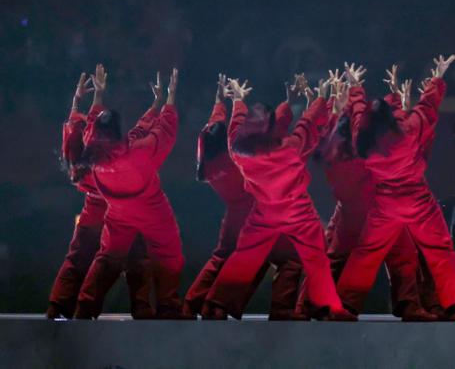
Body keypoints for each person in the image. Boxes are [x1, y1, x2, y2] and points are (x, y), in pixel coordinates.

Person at [335, 57, 455, 321]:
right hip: (417, 200)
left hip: (386, 202)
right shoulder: (408, 130)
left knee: (367, 254)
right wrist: (438, 76)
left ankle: (346, 305)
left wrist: (356, 87)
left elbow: (359, 115)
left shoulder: (364, 139)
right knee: (441, 253)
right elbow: (428, 105)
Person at [201, 75, 355, 321]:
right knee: (316, 258)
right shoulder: (289, 148)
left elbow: (237, 123)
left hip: (264, 212)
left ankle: (217, 304)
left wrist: (239, 100)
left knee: (245, 257)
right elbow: (308, 125)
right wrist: (321, 99)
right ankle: (330, 308)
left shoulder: (237, 149)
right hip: (297, 212)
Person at [299, 69, 436, 321]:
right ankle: (400, 304)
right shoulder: (359, 141)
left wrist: (333, 100)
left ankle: (315, 304)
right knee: (399, 256)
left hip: (355, 207)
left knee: (339, 256)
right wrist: (391, 98)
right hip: (372, 207)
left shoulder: (343, 139)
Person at [183, 74, 305, 319]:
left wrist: (223, 102)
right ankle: (280, 310)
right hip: (257, 217)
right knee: (289, 259)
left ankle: (194, 304)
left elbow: (220, 126)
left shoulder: (208, 157)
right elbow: (265, 132)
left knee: (224, 256)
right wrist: (287, 104)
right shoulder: (237, 156)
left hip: (235, 216)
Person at [75, 65, 186, 319]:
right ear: (118, 132)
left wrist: (99, 95)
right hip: (151, 210)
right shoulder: (140, 155)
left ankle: (85, 307)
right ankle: (168, 306)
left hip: (119, 212)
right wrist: (169, 98)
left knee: (108, 256)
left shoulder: (94, 154)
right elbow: (164, 131)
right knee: (168, 252)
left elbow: (96, 122)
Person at [47, 72, 152, 319]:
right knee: (137, 258)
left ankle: (59, 306)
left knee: (79, 257)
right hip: (120, 213)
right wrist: (159, 104)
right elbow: (143, 132)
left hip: (93, 211)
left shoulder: (84, 156)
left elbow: (76, 130)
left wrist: (79, 100)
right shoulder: (120, 150)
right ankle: (142, 307)